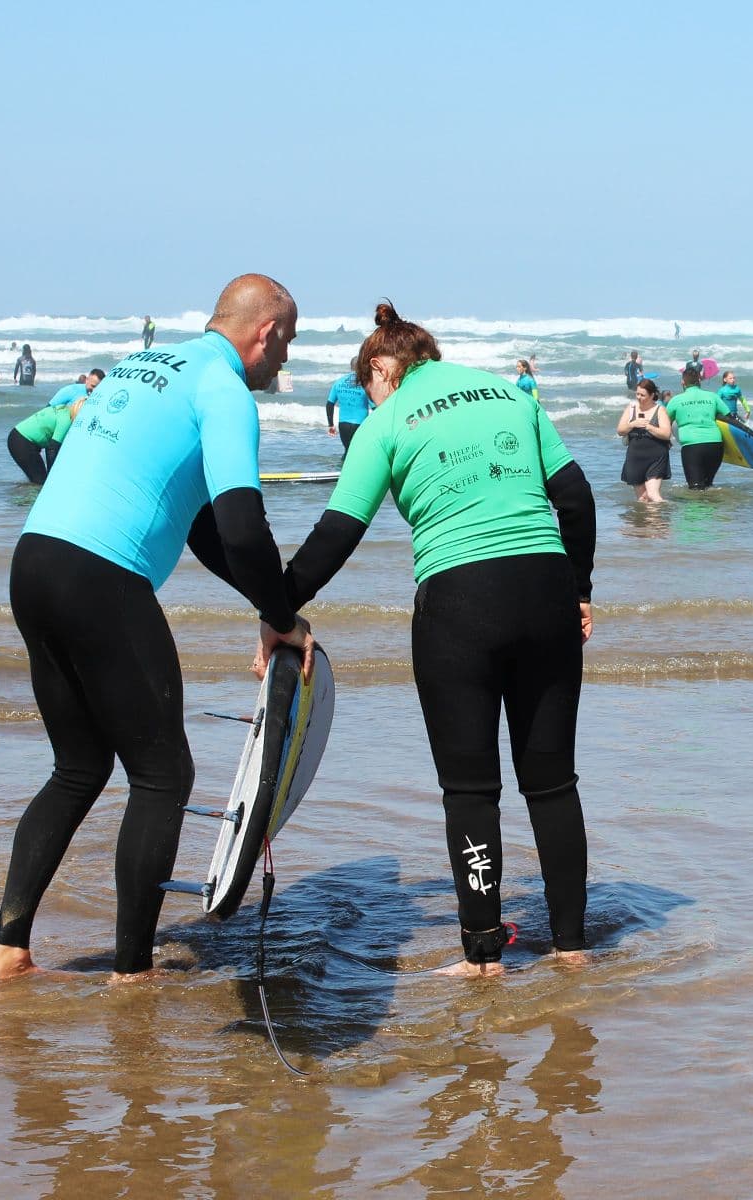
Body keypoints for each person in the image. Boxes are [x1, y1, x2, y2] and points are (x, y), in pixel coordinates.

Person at [0, 274, 306, 986]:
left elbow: (201, 530)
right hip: (101, 576)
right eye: (288, 344)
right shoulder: (223, 391)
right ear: (267, 333)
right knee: (164, 774)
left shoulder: (147, 367)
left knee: (79, 767)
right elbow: (242, 529)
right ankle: (132, 971)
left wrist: (270, 609)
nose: (283, 362)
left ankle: (6, 951)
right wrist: (283, 618)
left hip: (34, 561)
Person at [277, 301, 596, 976]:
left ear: (383, 368)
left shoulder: (386, 421)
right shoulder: (510, 394)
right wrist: (580, 591)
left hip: (460, 607)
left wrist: (277, 609)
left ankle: (484, 955)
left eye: (367, 383)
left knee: (471, 789)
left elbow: (336, 535)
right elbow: (575, 496)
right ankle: (571, 948)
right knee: (552, 783)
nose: (367, 396)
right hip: (545, 592)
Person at [664, 364, 733, 489]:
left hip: (692, 447)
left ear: (683, 382)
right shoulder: (713, 396)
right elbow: (729, 418)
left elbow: (664, 423)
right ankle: (712, 507)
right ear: (699, 380)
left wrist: (665, 442)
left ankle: (697, 508)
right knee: (708, 485)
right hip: (716, 445)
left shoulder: (676, 400)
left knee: (695, 488)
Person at [7, 394, 85, 484]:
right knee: (41, 482)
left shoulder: (64, 410)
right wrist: (52, 476)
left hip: (17, 436)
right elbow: (52, 449)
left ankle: (25, 493)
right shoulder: (66, 420)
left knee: (37, 480)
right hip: (22, 442)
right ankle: (27, 497)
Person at [617, 377, 672, 503]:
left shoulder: (659, 410)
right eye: (637, 394)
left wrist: (649, 426)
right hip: (635, 456)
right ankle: (649, 522)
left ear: (652, 395)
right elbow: (620, 430)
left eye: (643, 395)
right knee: (643, 498)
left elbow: (666, 434)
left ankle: (666, 516)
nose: (639, 397)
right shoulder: (631, 408)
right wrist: (633, 424)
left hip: (656, 456)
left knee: (653, 494)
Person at [324, 371, 372, 450]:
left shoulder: (339, 382)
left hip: (343, 425)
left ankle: (342, 463)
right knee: (358, 451)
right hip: (360, 425)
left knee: (347, 451)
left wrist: (331, 425)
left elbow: (329, 404)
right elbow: (375, 408)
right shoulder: (365, 383)